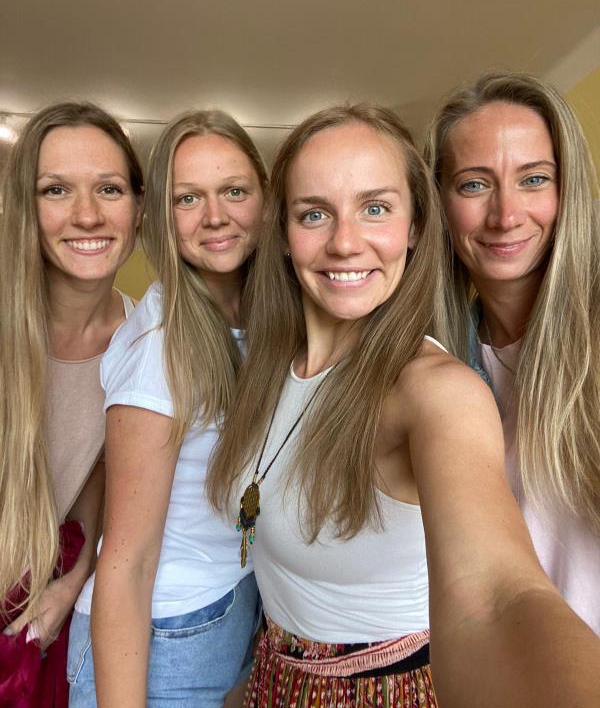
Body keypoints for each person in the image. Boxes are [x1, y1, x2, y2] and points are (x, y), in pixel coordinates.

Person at [207, 103, 600, 708]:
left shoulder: (434, 390)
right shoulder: (270, 365)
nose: (345, 243)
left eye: (375, 208)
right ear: (282, 234)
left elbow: (497, 595)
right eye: (314, 214)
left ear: (416, 226)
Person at [68, 110, 266, 707]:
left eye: (234, 191)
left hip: (228, 607)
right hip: (159, 638)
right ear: (160, 216)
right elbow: (126, 563)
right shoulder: (159, 348)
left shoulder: (257, 325)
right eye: (188, 198)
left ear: (266, 199)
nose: (215, 215)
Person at [424, 72, 600, 637]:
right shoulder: (434, 363)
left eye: (534, 179)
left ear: (567, 190)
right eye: (475, 184)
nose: (505, 215)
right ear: (439, 202)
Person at [0, 102, 143, 706]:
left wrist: (72, 583)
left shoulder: (147, 348)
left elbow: (103, 494)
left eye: (109, 188)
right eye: (56, 189)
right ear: (25, 208)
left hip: (37, 627)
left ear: (138, 208)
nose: (87, 215)